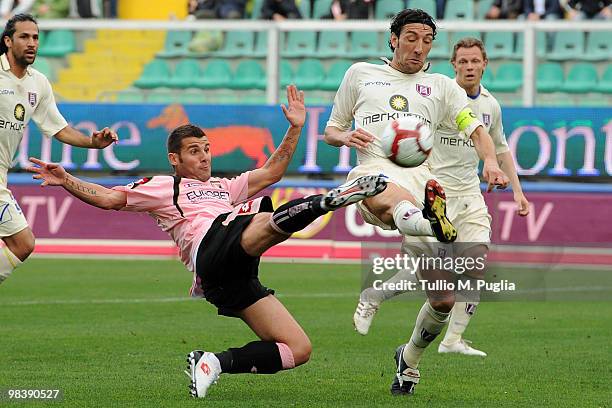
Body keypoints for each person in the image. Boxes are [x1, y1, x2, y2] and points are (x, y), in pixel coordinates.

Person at [27, 85, 388, 399]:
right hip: (211, 248)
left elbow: (273, 171)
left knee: (298, 349)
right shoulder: (162, 187)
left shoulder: (224, 187)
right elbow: (108, 198)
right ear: (175, 158)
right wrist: (67, 178)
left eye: (206, 148)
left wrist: (295, 127)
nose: (204, 156)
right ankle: (331, 199)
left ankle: (212, 362)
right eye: (195, 151)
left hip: (227, 277)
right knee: (260, 220)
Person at [323, 8, 510, 396]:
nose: (419, 47)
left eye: (427, 40)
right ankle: (429, 222)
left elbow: (475, 130)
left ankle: (407, 362)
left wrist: (490, 162)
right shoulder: (360, 74)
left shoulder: (441, 86)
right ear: (393, 38)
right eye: (411, 37)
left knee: (443, 299)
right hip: (373, 174)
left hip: (423, 185)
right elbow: (331, 129)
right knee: (388, 194)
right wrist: (344, 138)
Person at [353, 38, 530, 361]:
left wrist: (517, 190)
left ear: (484, 64)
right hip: (434, 193)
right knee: (436, 272)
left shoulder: (491, 105)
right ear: (454, 65)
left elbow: (499, 148)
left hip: (470, 195)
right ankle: (376, 295)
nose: (469, 67)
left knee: (474, 264)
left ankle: (453, 339)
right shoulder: (438, 94)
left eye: (475, 61)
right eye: (463, 61)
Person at [0, 14, 117, 286]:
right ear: (8, 41)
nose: (32, 43)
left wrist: (93, 143)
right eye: (24, 37)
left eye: (36, 37)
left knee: (22, 244)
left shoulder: (38, 83)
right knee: (23, 242)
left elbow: (58, 128)